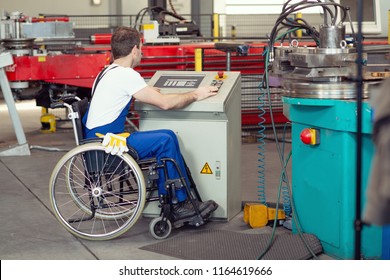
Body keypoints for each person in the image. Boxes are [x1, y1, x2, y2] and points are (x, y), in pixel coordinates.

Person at [83, 26, 219, 226]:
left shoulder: (106, 73)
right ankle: (177, 204)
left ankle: (182, 198)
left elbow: (129, 92)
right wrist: (196, 94)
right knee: (165, 140)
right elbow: (165, 103)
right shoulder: (126, 75)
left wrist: (146, 90)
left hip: (99, 140)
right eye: (141, 49)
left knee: (168, 135)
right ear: (135, 50)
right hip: (108, 146)